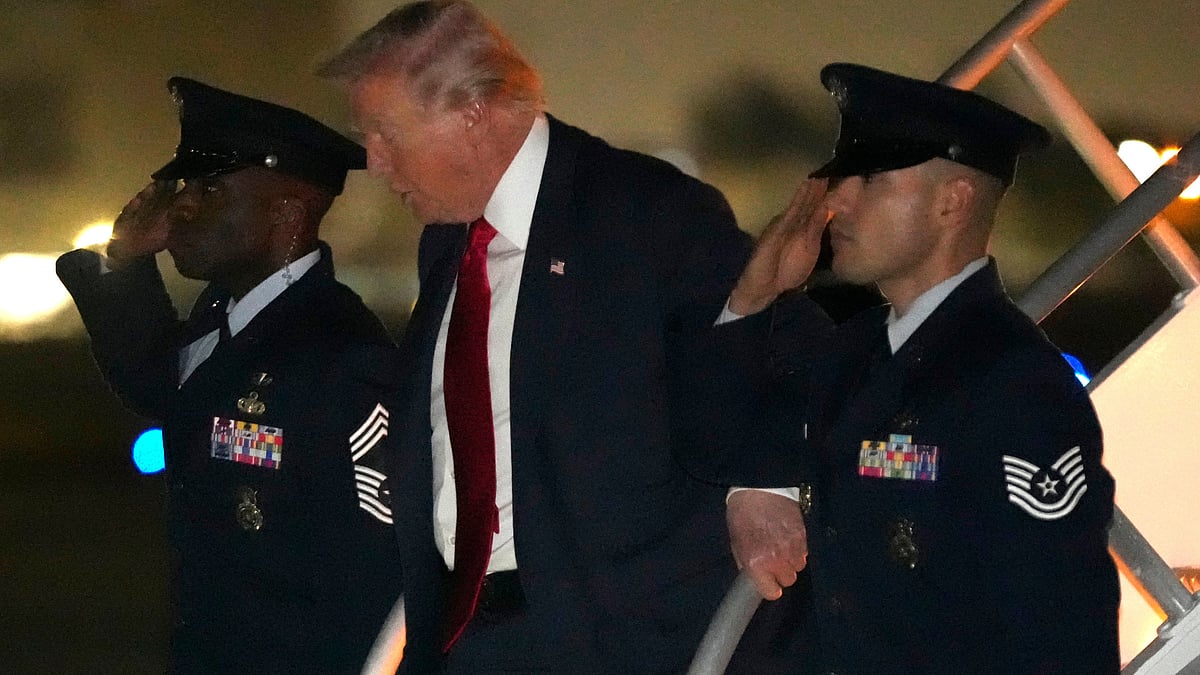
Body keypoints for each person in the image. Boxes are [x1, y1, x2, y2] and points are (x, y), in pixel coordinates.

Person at [317, 1, 756, 671]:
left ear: (471, 113)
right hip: (467, 639)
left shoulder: (646, 215)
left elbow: (768, 351)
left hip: (613, 644)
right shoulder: (447, 245)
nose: (374, 162)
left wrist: (766, 486)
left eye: (384, 131)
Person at [675, 63, 1121, 673]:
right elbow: (720, 445)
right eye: (841, 180)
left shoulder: (1011, 380)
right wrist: (753, 297)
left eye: (871, 180)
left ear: (953, 202)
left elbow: (1056, 628)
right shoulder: (855, 354)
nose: (839, 200)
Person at [56, 77, 403, 673]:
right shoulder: (225, 318)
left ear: (288, 216)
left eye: (210, 190)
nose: (182, 204)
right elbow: (157, 384)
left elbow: (379, 574)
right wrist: (124, 259)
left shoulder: (338, 353)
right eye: (185, 185)